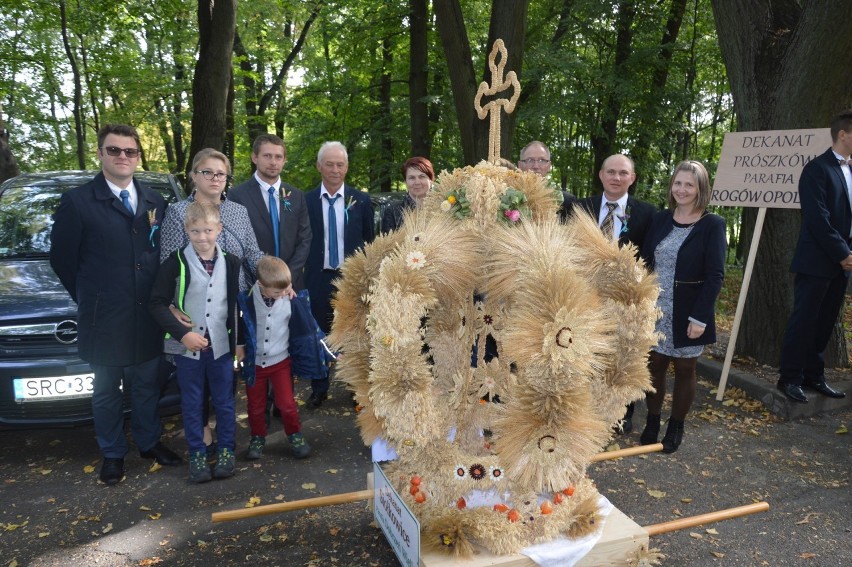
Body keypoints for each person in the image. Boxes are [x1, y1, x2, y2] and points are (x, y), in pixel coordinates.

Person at [50, 123, 181, 486]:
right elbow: (62, 260)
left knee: (145, 386)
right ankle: (112, 453)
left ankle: (149, 442)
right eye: (114, 150)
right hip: (104, 317)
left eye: (130, 151)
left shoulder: (155, 201)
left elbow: (160, 256)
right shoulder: (77, 202)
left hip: (146, 315)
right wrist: (93, 298)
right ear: (101, 154)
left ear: (138, 156)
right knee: (107, 392)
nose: (123, 157)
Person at [639, 161, 726, 453]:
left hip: (690, 309)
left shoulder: (712, 224)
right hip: (654, 307)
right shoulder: (661, 218)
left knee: (686, 368)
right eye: (678, 183)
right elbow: (646, 260)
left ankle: (676, 425)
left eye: (690, 184)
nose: (682, 189)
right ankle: (652, 420)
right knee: (655, 365)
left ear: (701, 188)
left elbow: (715, 275)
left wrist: (699, 317)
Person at [149, 201, 240, 482]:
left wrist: (240, 343)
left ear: (219, 229)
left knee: (224, 401)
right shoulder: (174, 262)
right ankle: (198, 453)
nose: (202, 237)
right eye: (196, 231)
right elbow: (157, 303)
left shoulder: (232, 262)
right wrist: (182, 334)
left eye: (208, 230)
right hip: (189, 350)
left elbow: (235, 307)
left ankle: (226, 449)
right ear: (186, 230)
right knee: (192, 401)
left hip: (222, 349)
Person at [572, 153, 656, 434]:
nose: (616, 178)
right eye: (611, 172)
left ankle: (622, 413)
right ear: (601, 175)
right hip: (586, 293)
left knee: (623, 354)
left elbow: (649, 258)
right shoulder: (581, 207)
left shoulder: (646, 213)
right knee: (588, 349)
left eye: (623, 173)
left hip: (625, 299)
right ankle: (586, 408)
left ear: (632, 178)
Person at [777, 110, 852, 403]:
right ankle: (790, 377)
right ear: (843, 134)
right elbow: (817, 218)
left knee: (825, 322)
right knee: (804, 320)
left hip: (843, 264)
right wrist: (843, 252)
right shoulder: (816, 169)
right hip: (817, 260)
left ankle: (813, 376)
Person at [304, 141, 375, 406]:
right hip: (318, 277)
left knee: (353, 332)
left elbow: (370, 240)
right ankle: (319, 387)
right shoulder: (306, 200)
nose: (335, 170)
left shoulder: (361, 200)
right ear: (319, 166)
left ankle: (354, 386)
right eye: (330, 164)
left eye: (340, 164)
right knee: (319, 334)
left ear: (346, 168)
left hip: (351, 278)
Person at [236, 256, 311, 460]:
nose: (282, 294)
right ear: (261, 285)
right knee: (256, 406)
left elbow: (310, 329)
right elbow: (239, 328)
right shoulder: (246, 302)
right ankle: (258, 437)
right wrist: (239, 347)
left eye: (286, 288)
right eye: (277, 291)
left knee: (286, 403)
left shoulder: (290, 300)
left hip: (281, 362)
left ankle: (295, 434)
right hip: (256, 364)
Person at [160, 148, 263, 292]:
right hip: (195, 302)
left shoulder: (239, 211)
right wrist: (171, 305)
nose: (215, 178)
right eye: (207, 172)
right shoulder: (178, 212)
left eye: (221, 173)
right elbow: (168, 264)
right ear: (194, 176)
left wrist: (275, 276)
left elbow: (253, 255)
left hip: (235, 300)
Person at [228, 134, 312, 291]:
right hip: (255, 284)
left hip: (291, 286)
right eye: (267, 156)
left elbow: (304, 240)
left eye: (278, 157)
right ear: (254, 157)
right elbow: (238, 244)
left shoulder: (296, 195)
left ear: (284, 160)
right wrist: (266, 278)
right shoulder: (237, 195)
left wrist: (287, 278)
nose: (273, 162)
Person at [517, 140, 575, 217]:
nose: (536, 166)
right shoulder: (506, 198)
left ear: (549, 166)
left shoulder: (567, 202)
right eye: (530, 160)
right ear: (520, 165)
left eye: (542, 160)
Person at [381, 156, 435, 233]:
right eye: (412, 178)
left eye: (422, 177)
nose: (417, 182)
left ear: (431, 180)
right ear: (405, 181)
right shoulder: (393, 211)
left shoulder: (444, 208)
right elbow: (387, 243)